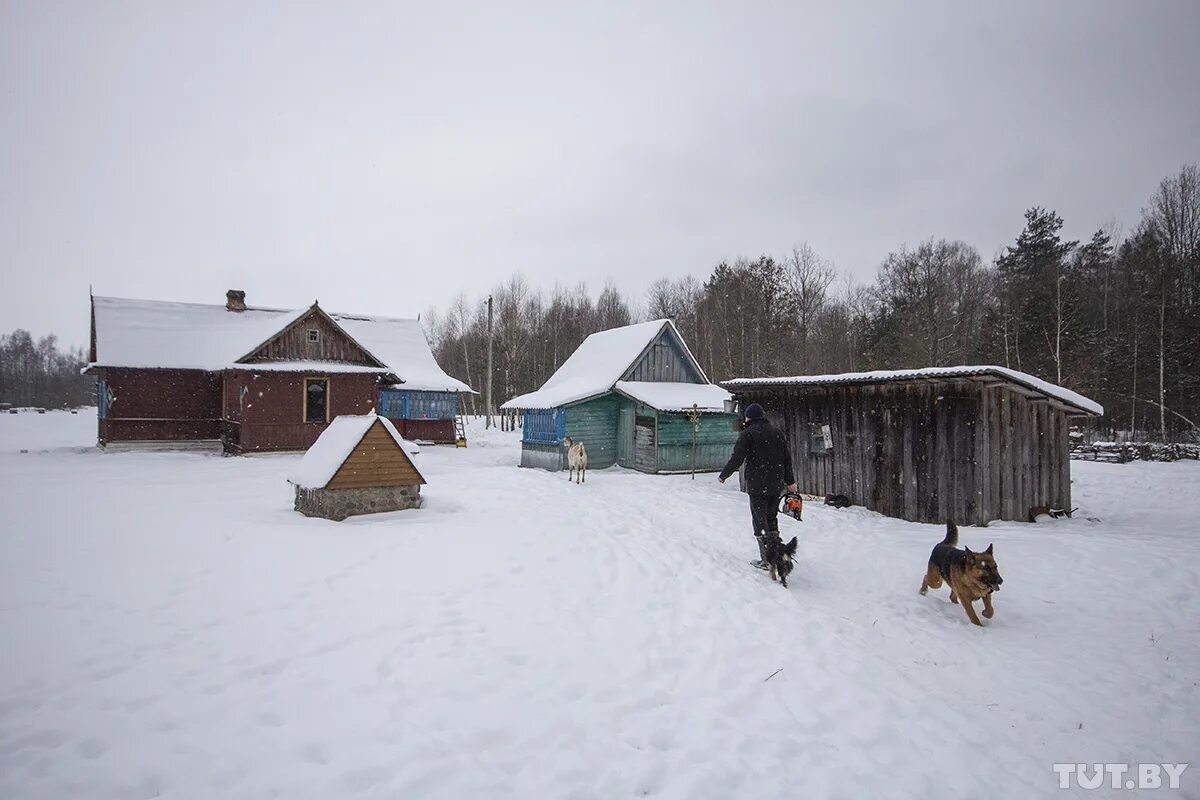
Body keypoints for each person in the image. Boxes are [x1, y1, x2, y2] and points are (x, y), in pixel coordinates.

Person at [718, 403, 797, 569]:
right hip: (776, 483)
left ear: (749, 417)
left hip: (757, 485)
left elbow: (737, 458)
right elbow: (786, 459)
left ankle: (767, 560)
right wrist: (790, 481)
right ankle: (778, 554)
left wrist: (724, 475)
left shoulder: (748, 434)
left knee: (760, 522)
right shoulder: (777, 433)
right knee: (771, 518)